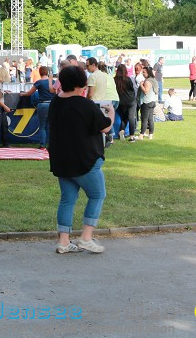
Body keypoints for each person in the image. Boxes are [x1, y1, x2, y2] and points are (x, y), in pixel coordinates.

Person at [48, 65, 113, 255]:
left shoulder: (55, 102)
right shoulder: (84, 104)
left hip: (62, 159)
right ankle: (86, 237)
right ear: (79, 85)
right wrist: (111, 112)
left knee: (67, 200)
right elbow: (105, 127)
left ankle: (64, 241)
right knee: (97, 195)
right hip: (84, 161)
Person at [20, 66, 56, 149]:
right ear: (47, 72)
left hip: (42, 104)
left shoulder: (39, 82)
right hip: (52, 105)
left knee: (42, 126)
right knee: (50, 126)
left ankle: (42, 145)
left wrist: (23, 94)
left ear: (40, 73)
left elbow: (30, 93)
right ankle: (51, 145)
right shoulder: (53, 81)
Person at [112, 63, 137, 140]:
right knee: (131, 118)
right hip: (130, 101)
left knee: (125, 117)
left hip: (121, 102)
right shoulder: (128, 79)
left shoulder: (114, 80)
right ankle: (132, 136)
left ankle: (121, 131)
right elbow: (132, 89)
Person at [137, 65, 158, 139]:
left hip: (146, 102)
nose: (143, 73)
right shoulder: (153, 80)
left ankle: (141, 134)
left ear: (148, 72)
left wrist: (141, 85)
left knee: (144, 119)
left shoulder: (148, 81)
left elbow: (146, 91)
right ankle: (150, 135)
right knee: (150, 119)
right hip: (152, 101)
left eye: (144, 72)